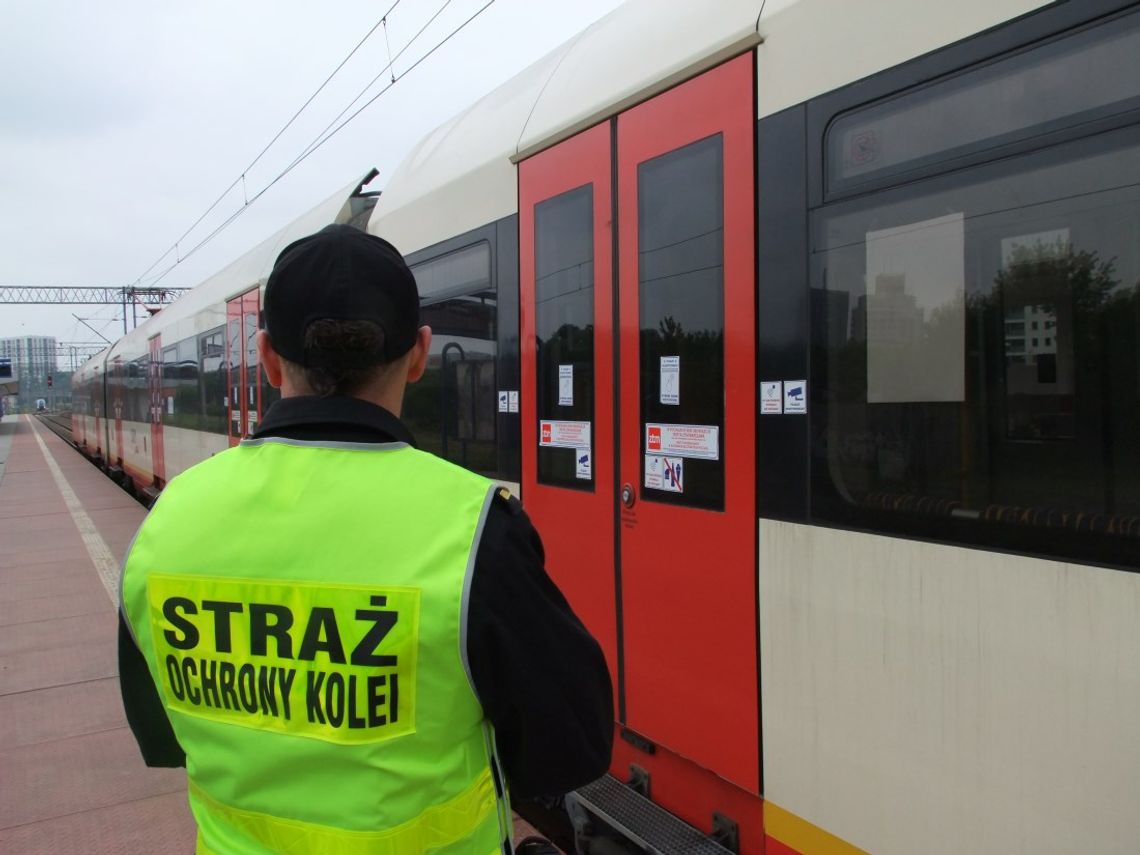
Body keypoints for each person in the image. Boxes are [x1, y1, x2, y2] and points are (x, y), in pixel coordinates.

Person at [118, 224, 613, 855]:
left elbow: (165, 734)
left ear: (267, 358)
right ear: (419, 354)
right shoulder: (473, 526)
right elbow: (571, 748)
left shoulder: (168, 522)